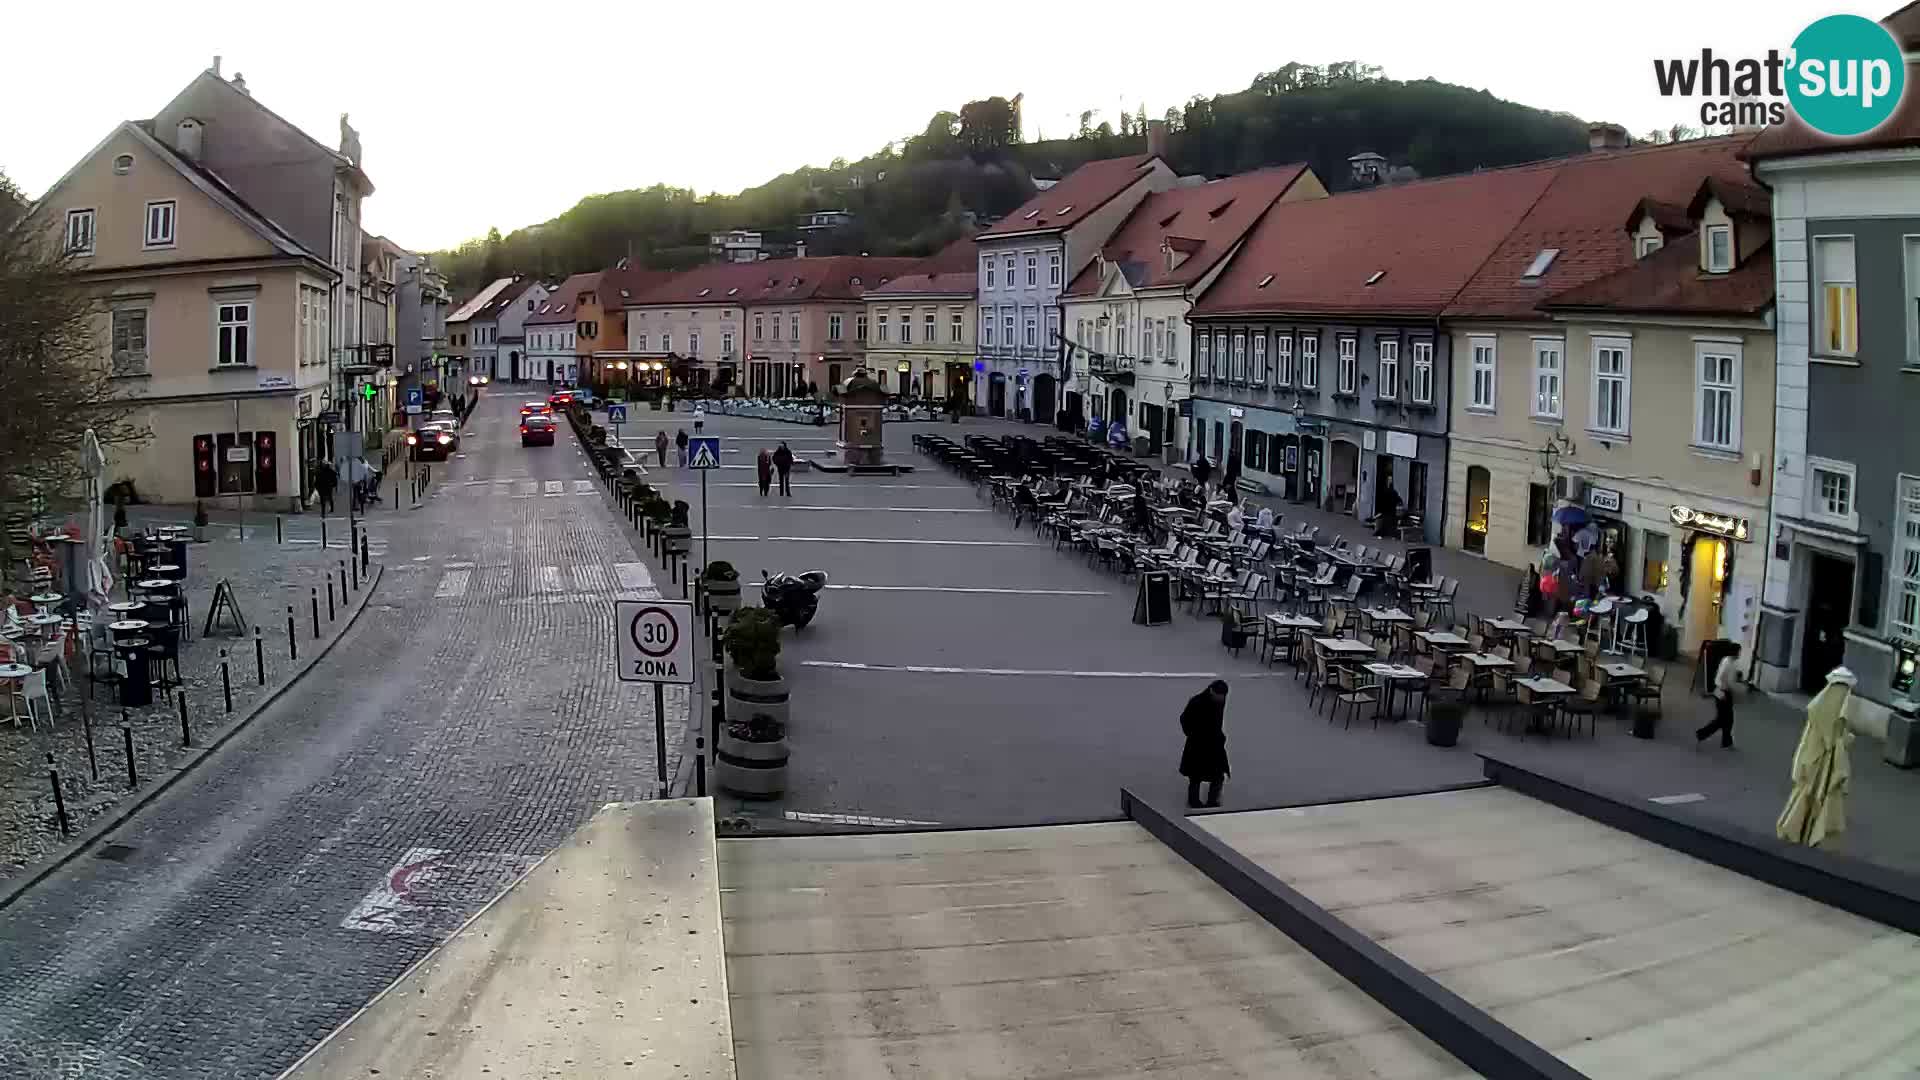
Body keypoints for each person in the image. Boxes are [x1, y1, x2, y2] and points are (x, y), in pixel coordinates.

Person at [1179, 680, 1230, 809]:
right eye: (1220, 695)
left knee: (1218, 775)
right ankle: (1194, 801)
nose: (1222, 698)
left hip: (1214, 744)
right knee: (1195, 776)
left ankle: (1212, 801)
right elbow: (1184, 720)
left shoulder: (1219, 700)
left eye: (1223, 696)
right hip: (1198, 744)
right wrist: (1194, 735)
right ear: (1212, 691)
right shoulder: (1197, 702)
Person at [1697, 642, 1744, 749]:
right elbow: (1723, 680)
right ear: (1735, 652)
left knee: (1727, 720)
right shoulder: (1729, 663)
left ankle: (1726, 742)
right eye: (1739, 651)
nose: (1740, 653)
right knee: (1722, 720)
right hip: (1723, 693)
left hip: (1722, 692)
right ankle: (1701, 734)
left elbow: (1725, 679)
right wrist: (1727, 692)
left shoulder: (1728, 660)